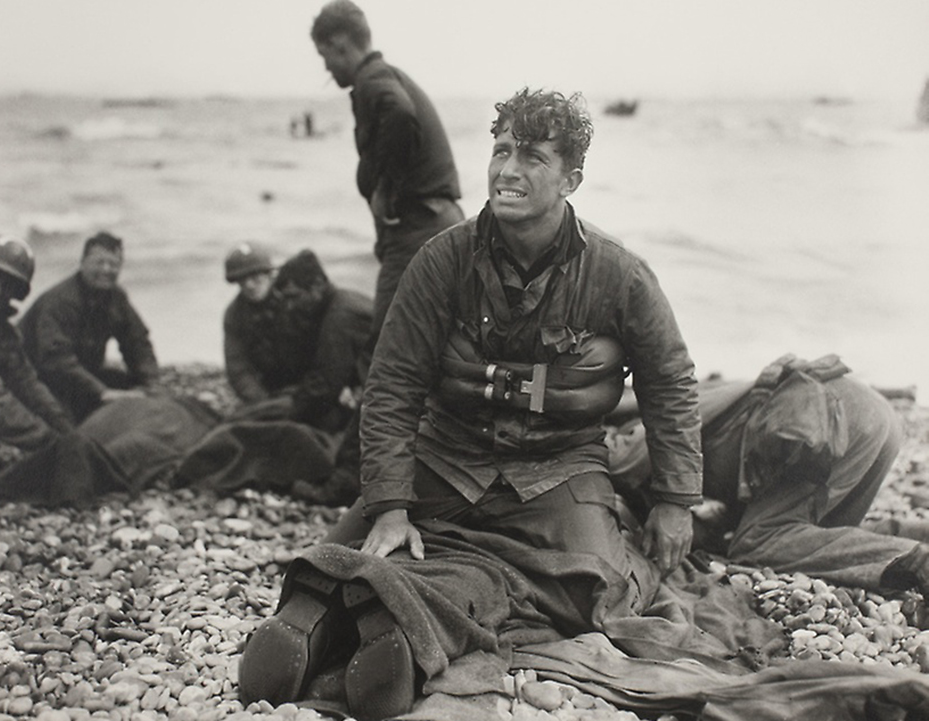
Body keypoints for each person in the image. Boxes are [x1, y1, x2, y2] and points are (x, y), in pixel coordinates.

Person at [240, 88, 703, 716]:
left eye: (532, 157)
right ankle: (319, 622)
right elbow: (393, 384)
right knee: (344, 552)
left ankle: (399, 613)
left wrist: (675, 500)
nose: (508, 170)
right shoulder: (441, 261)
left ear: (571, 179)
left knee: (597, 597)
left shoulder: (619, 275)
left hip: (558, 470)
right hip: (447, 457)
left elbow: (669, 382)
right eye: (501, 150)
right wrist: (390, 506)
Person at [606, 353, 929, 594]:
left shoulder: (652, 432)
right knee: (822, 535)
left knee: (758, 541)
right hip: (873, 416)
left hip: (818, 420)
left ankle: (913, 560)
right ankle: (912, 533)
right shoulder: (703, 405)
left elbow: (618, 461)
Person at [310, 0, 465, 345]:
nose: (327, 68)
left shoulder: (372, 79)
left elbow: (399, 114)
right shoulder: (386, 75)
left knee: (387, 345)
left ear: (339, 44)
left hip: (419, 226)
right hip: (439, 221)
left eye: (324, 56)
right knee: (433, 340)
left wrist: (386, 189)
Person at [223, 244, 373, 434]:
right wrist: (263, 404)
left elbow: (331, 362)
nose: (249, 285)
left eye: (255, 277)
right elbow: (238, 368)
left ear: (269, 274)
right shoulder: (236, 315)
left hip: (313, 386)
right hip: (279, 389)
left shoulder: (301, 295)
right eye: (242, 280)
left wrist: (298, 405)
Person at [18, 231, 160, 423]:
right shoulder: (60, 302)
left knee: (138, 392)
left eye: (114, 264)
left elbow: (137, 342)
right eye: (99, 262)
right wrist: (100, 392)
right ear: (83, 262)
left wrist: (151, 384)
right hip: (36, 377)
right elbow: (55, 360)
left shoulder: (116, 298)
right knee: (64, 425)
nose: (106, 269)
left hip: (80, 375)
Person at [0, 235, 74, 487]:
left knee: (3, 472)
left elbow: (26, 383)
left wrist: (69, 434)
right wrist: (46, 438)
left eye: (7, 286)